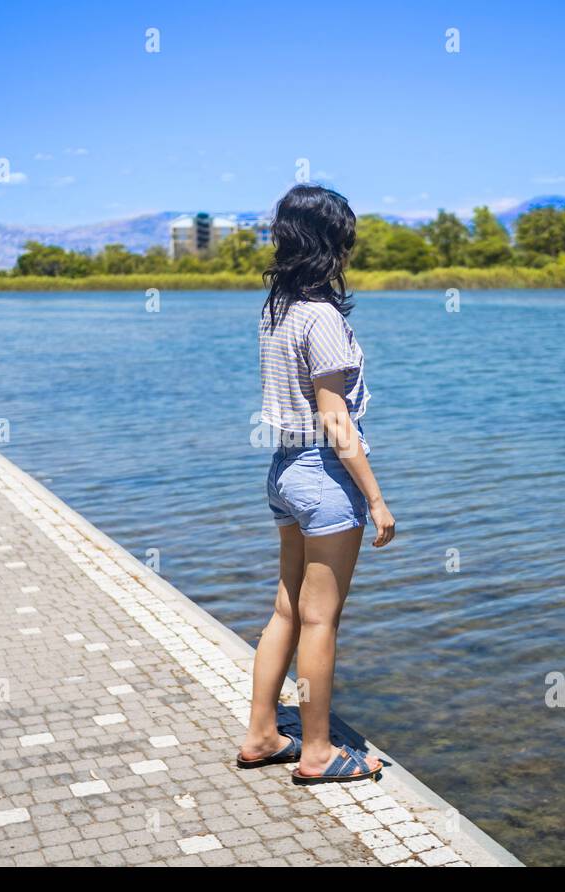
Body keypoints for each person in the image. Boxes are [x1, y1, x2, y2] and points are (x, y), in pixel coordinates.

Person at [236, 184, 396, 785]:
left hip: (282, 471)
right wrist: (376, 499)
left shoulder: (275, 308)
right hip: (323, 476)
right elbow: (335, 420)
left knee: (286, 609)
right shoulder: (322, 317)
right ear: (331, 243)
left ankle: (261, 735)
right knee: (321, 620)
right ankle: (319, 752)